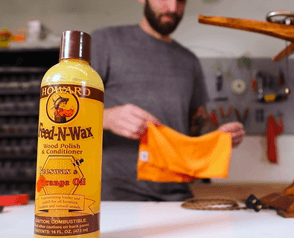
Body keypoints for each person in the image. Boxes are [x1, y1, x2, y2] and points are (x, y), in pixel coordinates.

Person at [91, 0, 245, 201]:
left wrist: (218, 138)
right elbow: (64, 112)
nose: (172, 8)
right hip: (116, 195)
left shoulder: (189, 60)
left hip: (176, 193)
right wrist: (107, 117)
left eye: (180, 1)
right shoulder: (105, 41)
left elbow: (196, 123)